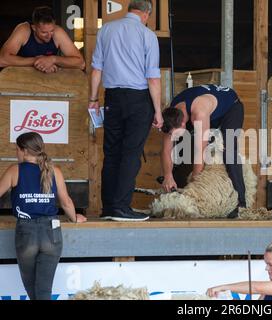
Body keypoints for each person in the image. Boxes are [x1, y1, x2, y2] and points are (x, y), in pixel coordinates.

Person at [89, 0, 163, 222]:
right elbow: (152, 78)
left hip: (112, 98)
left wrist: (93, 99)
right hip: (138, 99)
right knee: (131, 154)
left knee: (111, 152)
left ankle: (109, 207)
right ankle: (122, 207)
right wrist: (158, 111)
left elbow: (96, 69)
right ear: (146, 14)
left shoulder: (106, 30)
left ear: (130, 10)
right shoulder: (147, 35)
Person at [0, 132, 87, 300]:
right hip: (51, 233)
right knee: (42, 292)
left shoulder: (15, 170)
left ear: (24, 151)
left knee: (35, 291)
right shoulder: (55, 170)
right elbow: (66, 202)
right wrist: (75, 218)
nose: (16, 153)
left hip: (26, 232)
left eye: (16, 150)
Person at [160, 84, 246, 218]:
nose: (173, 135)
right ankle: (174, 189)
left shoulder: (199, 113)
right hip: (207, 108)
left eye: (175, 132)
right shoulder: (172, 115)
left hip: (231, 107)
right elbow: (166, 150)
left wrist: (194, 185)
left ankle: (241, 204)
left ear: (183, 123)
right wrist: (167, 175)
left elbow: (200, 152)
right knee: (181, 148)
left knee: (229, 152)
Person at [206, 236, 272, 300]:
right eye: (266, 264)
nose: (266, 268)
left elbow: (255, 287)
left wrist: (223, 287)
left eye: (270, 264)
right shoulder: (270, 290)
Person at [0, 6, 85, 73]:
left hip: (47, 83)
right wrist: (37, 61)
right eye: (44, 32)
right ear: (34, 28)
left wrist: (53, 59)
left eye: (51, 31)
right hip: (18, 80)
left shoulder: (58, 32)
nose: (49, 35)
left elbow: (80, 63)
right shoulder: (24, 30)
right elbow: (2, 60)